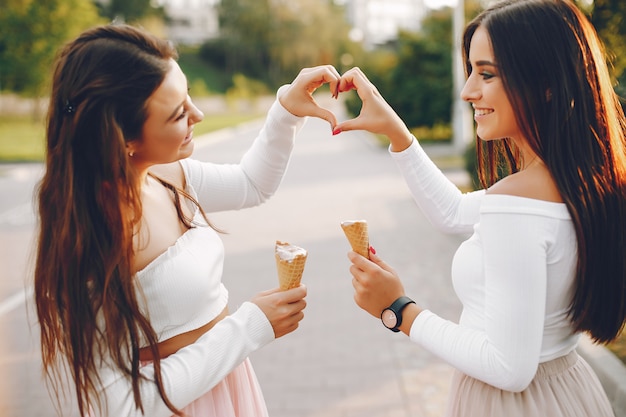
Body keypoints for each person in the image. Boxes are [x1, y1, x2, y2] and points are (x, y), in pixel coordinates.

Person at [33, 24, 341, 417]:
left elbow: (251, 185)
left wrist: (285, 110)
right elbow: (123, 406)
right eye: (179, 113)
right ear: (123, 138)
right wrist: (249, 327)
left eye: (189, 95)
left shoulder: (170, 174)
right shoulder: (90, 234)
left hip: (231, 389)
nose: (197, 114)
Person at [335, 0, 626, 416]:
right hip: (568, 390)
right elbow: (451, 212)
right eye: (471, 70)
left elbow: (508, 368)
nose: (468, 90)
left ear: (545, 83)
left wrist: (399, 309)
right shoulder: (582, 181)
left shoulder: (518, 202)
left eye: (486, 74)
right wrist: (396, 133)